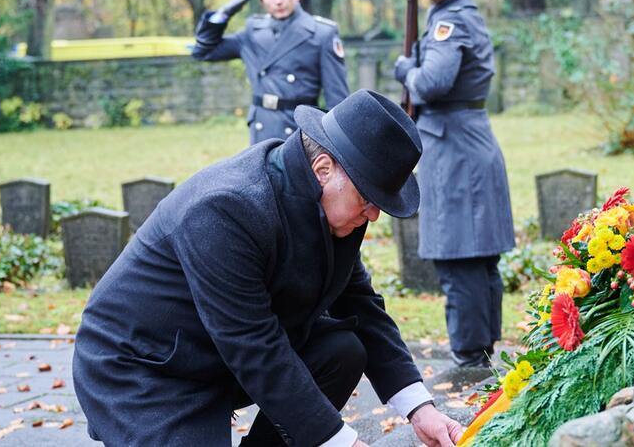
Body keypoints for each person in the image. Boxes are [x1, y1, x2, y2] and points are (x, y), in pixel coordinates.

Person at [72, 90, 463, 447]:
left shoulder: (330, 204)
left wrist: (420, 408)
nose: (374, 215)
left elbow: (361, 304)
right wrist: (342, 442)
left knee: (341, 349)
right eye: (368, 198)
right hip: (146, 369)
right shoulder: (226, 208)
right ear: (324, 169)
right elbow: (252, 343)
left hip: (217, 353)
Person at [393, 0, 515, 368]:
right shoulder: (455, 16)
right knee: (476, 256)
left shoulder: (451, 22)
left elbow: (431, 84)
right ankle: (479, 352)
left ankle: (469, 359)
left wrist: (405, 67)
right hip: (465, 140)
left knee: (459, 255)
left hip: (454, 145)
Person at [192, 0, 349, 145]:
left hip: (299, 132)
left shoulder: (321, 33)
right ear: (262, 1)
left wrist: (334, 147)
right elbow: (203, 51)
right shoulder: (252, 32)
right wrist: (224, 14)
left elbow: (337, 99)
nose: (278, 0)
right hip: (260, 129)